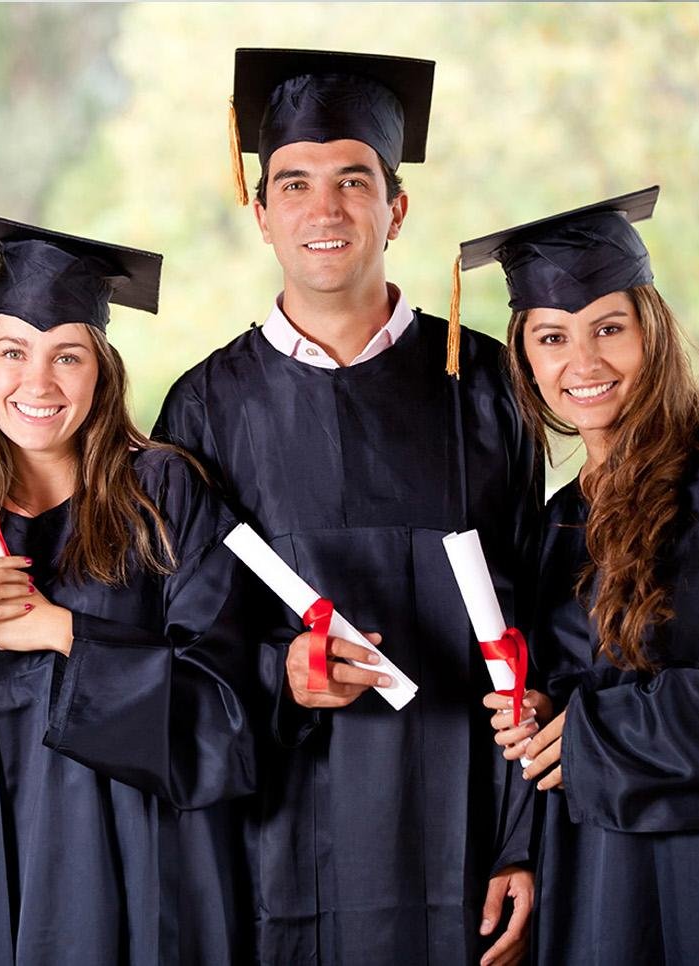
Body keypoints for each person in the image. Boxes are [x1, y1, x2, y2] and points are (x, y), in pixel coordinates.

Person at [154, 49, 541, 965]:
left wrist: (525, 839)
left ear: (396, 209)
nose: (323, 210)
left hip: (469, 841)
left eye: (353, 181)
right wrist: (277, 672)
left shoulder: (491, 385)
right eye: (293, 184)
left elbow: (545, 622)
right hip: (281, 849)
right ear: (260, 212)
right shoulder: (205, 408)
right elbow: (187, 653)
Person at [0, 211, 257, 965]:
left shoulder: (162, 494)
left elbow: (227, 709)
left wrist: (62, 631)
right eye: (13, 352)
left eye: (67, 356)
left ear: (102, 372)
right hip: (3, 871)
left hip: (149, 866)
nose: (37, 382)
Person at [470, 187, 699, 963]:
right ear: (525, 359)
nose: (584, 363)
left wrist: (601, 734)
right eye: (551, 338)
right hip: (593, 881)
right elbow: (560, 716)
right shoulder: (549, 526)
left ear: (653, 332)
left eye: (609, 328)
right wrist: (541, 725)